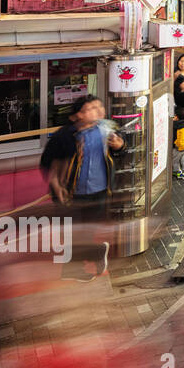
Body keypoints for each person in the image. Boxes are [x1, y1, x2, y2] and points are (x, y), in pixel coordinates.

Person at [39, 95, 124, 281]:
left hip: (99, 191)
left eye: (99, 106)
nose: (98, 110)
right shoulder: (65, 135)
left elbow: (120, 148)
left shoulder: (107, 129)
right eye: (91, 108)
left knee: (85, 233)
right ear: (77, 115)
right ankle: (93, 254)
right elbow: (46, 161)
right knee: (70, 233)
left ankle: (75, 268)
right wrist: (55, 184)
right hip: (69, 195)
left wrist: (119, 145)